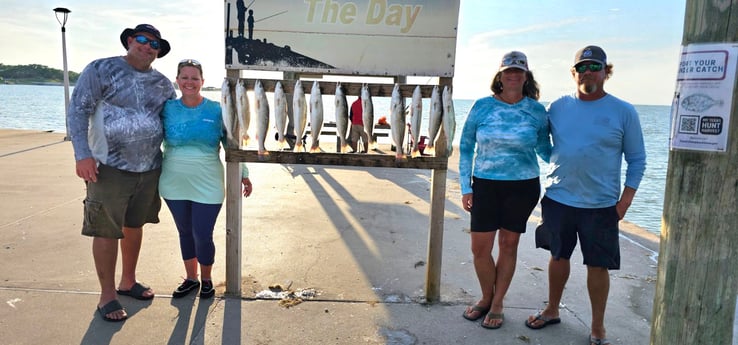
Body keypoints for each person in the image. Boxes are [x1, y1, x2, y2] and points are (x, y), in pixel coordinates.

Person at [524, 46, 646, 345]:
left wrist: (625, 201)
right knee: (557, 256)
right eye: (581, 67)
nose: (587, 72)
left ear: (606, 72)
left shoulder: (624, 111)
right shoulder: (557, 107)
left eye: (594, 66)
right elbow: (540, 140)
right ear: (573, 72)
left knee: (597, 265)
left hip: (601, 205)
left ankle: (597, 327)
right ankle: (552, 310)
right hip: (558, 199)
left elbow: (638, 159)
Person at [67, 24, 176, 322]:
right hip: (107, 167)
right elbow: (78, 110)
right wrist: (82, 155)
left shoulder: (164, 84)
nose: (148, 46)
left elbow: (172, 121)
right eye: (142, 40)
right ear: (130, 41)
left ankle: (128, 281)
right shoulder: (101, 69)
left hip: (149, 167)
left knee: (134, 224)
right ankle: (107, 295)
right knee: (105, 229)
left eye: (154, 43)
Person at [458, 51, 551, 329]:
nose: (513, 75)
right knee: (479, 248)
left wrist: (579, 154)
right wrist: (466, 187)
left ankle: (497, 303)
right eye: (508, 71)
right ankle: (486, 296)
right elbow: (465, 148)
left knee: (508, 245)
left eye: (518, 71)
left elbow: (546, 151)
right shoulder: (482, 106)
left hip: (522, 187)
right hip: (485, 184)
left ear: (526, 76)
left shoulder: (536, 110)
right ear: (500, 76)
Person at [160, 59, 253, 299]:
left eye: (194, 78)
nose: (189, 82)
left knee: (202, 233)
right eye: (185, 77)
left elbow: (232, 143)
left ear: (203, 81)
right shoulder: (167, 108)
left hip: (208, 182)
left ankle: (207, 279)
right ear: (177, 80)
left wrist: (244, 174)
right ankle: (191, 279)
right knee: (184, 232)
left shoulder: (216, 109)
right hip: (173, 182)